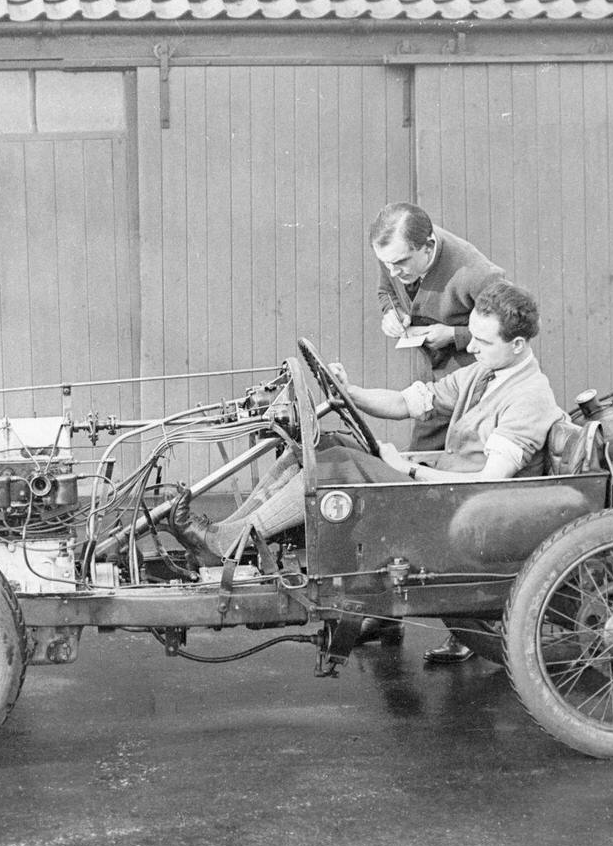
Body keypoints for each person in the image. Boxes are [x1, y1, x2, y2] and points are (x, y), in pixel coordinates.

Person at [170, 281, 563, 663]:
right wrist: (349, 392)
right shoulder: (485, 372)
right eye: (472, 335)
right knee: (320, 447)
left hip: (458, 512)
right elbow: (408, 402)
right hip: (440, 495)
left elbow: (488, 486)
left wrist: (406, 469)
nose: (471, 346)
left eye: (483, 341)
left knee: (337, 467)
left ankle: (224, 543)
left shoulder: (528, 397)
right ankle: (225, 538)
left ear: (517, 345)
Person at [371, 202, 507, 452]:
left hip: (477, 384)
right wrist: (392, 312)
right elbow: (386, 291)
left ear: (429, 246)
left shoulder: (476, 272)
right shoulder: (393, 253)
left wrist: (454, 335)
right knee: (419, 456)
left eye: (400, 263)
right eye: (386, 264)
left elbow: (512, 328)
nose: (391, 271)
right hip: (436, 382)